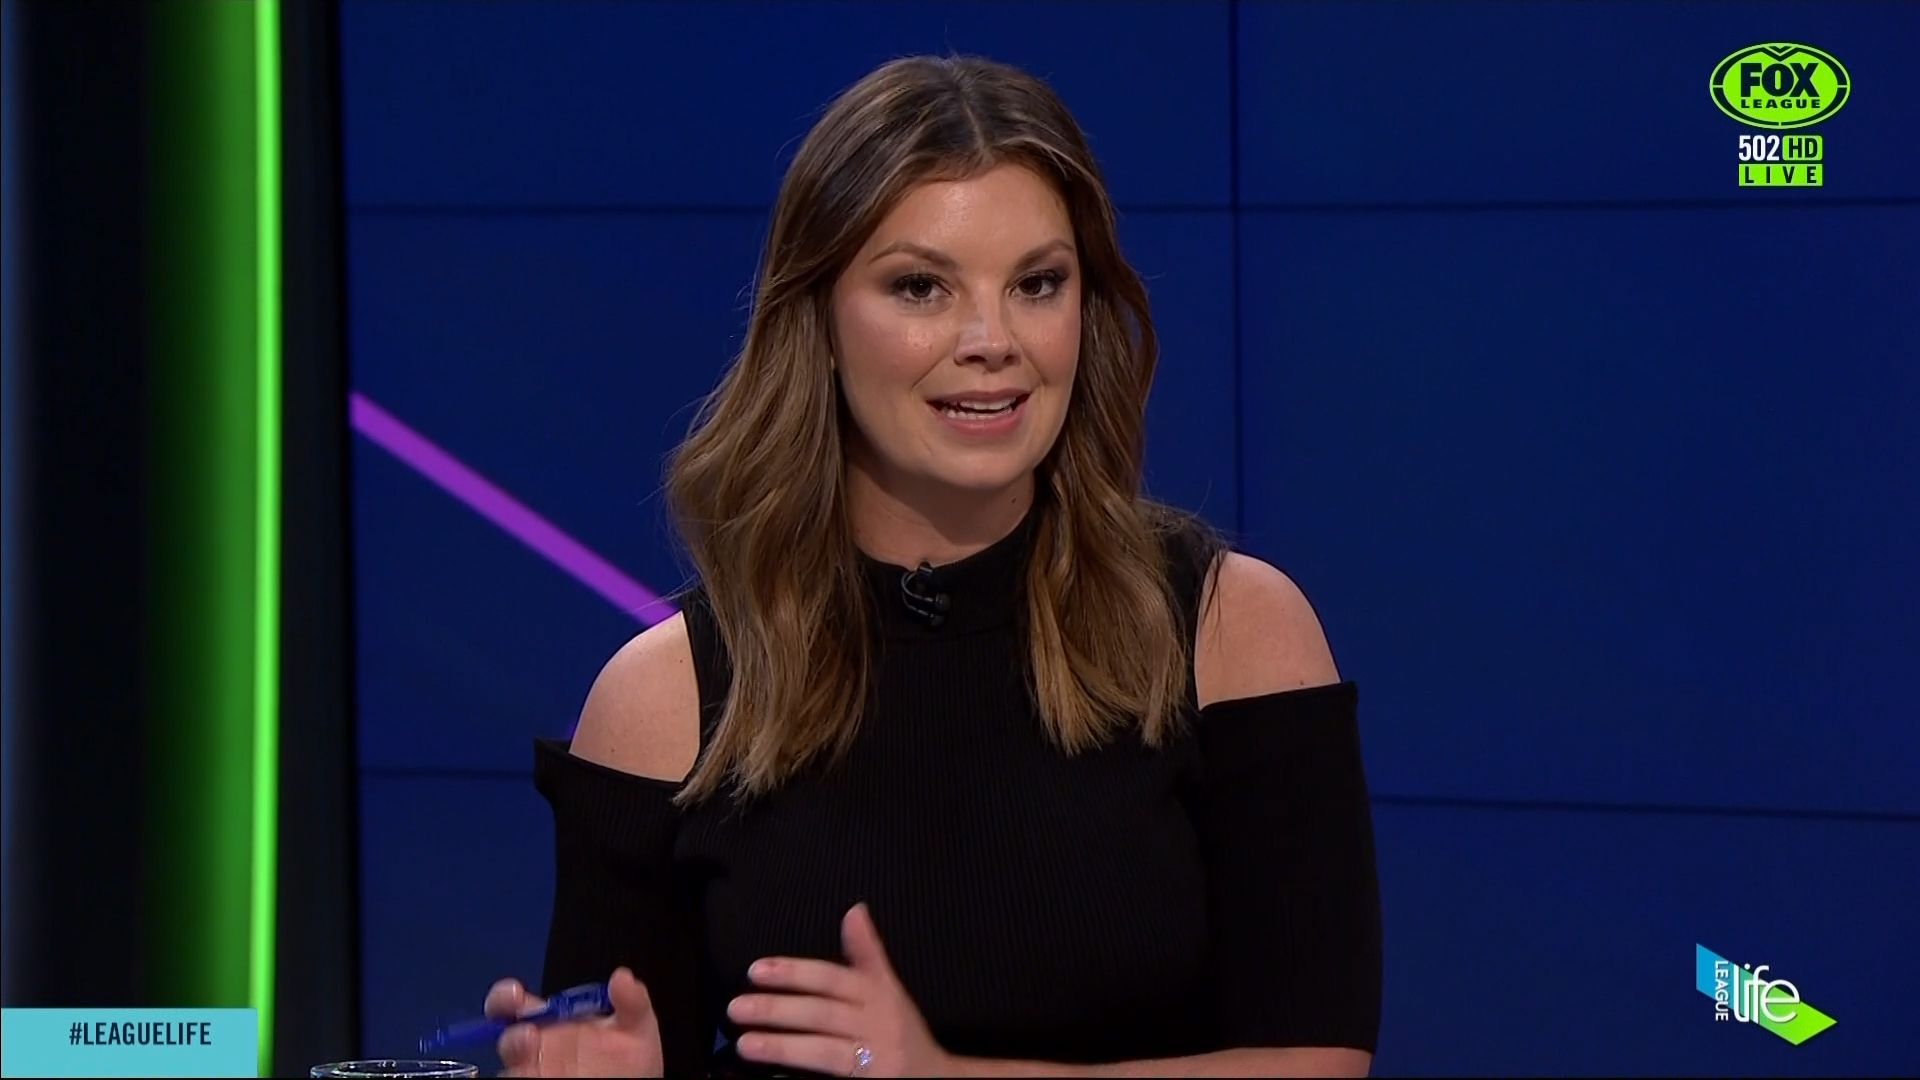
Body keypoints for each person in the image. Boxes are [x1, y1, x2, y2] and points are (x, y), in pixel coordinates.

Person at [483, 53, 1382, 1079]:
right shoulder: (668, 700)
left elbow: (1317, 1063)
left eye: (1038, 284)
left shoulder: (1231, 634)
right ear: (819, 320)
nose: (992, 340)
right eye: (921, 287)